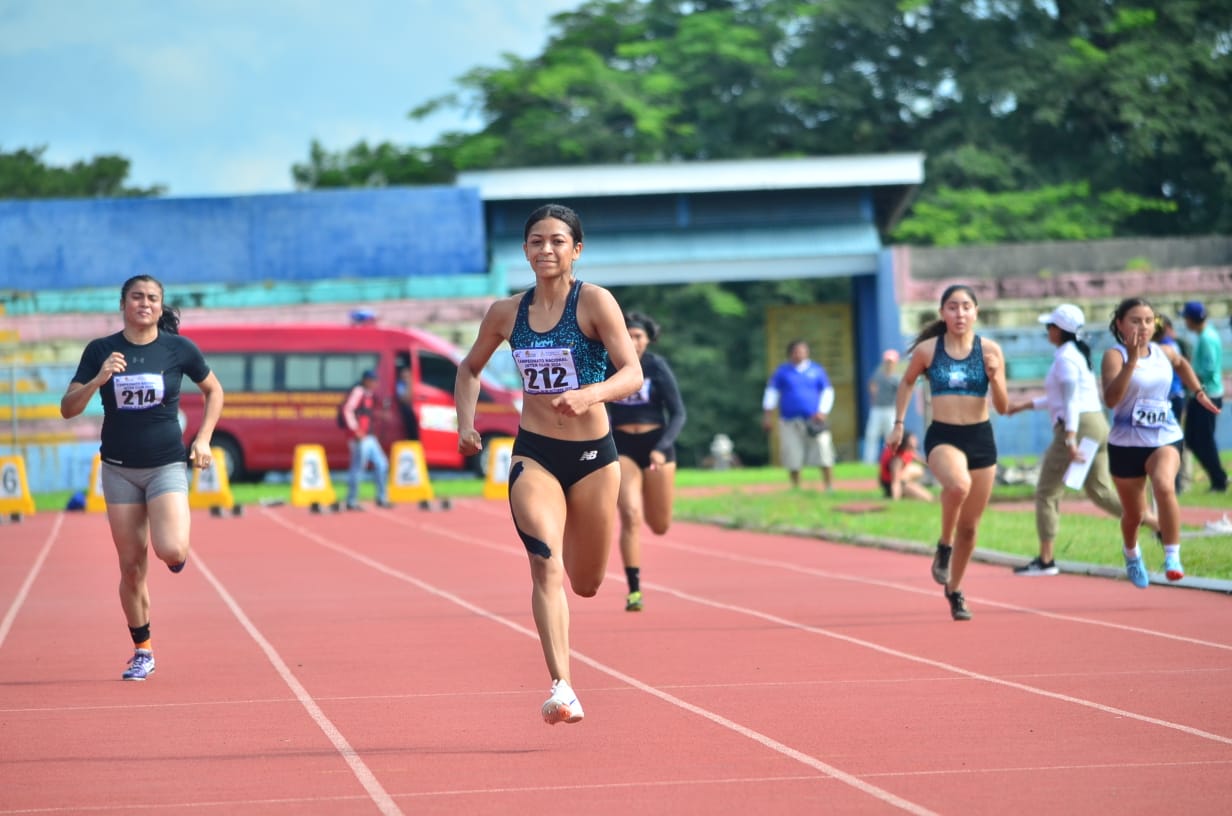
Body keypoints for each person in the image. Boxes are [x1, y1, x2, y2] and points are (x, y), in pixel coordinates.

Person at [455, 203, 642, 725]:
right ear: (525, 251)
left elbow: (632, 374)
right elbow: (469, 370)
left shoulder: (596, 303)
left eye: (558, 241)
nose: (546, 250)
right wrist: (465, 425)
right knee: (544, 562)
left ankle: (567, 669)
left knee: (585, 582)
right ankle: (562, 686)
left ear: (576, 249)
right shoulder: (506, 313)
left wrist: (589, 395)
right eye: (537, 241)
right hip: (534, 452)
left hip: (592, 458)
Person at [59, 274, 224, 681]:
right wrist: (98, 379)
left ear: (159, 305)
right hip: (118, 468)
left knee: (170, 550)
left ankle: (176, 555)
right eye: (137, 297)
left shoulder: (178, 349)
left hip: (165, 464)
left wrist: (202, 439)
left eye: (152, 298)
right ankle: (142, 649)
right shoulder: (101, 350)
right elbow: (67, 408)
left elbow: (214, 391)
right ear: (123, 304)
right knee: (131, 566)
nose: (144, 303)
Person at [885, 284, 1009, 621]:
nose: (960, 314)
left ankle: (954, 589)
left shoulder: (990, 351)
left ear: (976, 312)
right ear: (942, 313)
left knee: (970, 527)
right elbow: (908, 381)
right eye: (952, 307)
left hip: (980, 437)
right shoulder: (928, 351)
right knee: (957, 486)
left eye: (966, 307)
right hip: (944, 435)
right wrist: (898, 423)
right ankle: (943, 544)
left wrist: (995, 378)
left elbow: (1003, 405)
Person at [1006, 304, 1159, 576]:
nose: (1047, 332)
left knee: (1046, 492)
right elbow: (1061, 399)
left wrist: (1070, 438)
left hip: (1080, 426)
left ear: (1058, 330)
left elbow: (1070, 402)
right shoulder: (1075, 354)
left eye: (1049, 327)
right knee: (1099, 491)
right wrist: (1023, 405)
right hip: (1097, 423)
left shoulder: (1065, 359)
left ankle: (1046, 560)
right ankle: (1156, 524)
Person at [1103, 297, 1220, 587]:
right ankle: (1131, 552)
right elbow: (1111, 399)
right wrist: (1131, 361)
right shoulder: (1114, 356)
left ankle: (1172, 555)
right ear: (1120, 324)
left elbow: (1181, 364)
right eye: (1134, 320)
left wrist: (1199, 391)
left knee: (1165, 486)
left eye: (1147, 320)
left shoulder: (1165, 351)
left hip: (1164, 436)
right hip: (1126, 443)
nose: (1142, 327)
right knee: (1135, 514)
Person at [606, 311, 687, 612]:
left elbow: (678, 413)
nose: (633, 341)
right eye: (627, 335)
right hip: (622, 446)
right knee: (630, 514)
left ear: (648, 339)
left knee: (660, 524)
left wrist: (662, 447)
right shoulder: (607, 366)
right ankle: (634, 590)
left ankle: (656, 514)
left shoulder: (656, 367)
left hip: (656, 447)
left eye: (638, 336)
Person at [761, 340, 836, 490]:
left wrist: (822, 411)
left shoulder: (816, 370)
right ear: (790, 353)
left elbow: (827, 392)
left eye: (802, 351)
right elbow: (771, 394)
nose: (799, 354)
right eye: (796, 351)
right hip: (790, 420)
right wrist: (768, 416)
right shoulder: (783, 372)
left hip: (814, 420)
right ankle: (796, 487)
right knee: (792, 454)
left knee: (823, 451)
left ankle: (828, 486)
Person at [1179, 301, 1227, 493]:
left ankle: (1219, 480)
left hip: (1207, 395)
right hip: (1201, 394)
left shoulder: (1207, 338)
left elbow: (1207, 369)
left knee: (1203, 440)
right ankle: (1217, 478)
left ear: (1192, 319)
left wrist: (1189, 377)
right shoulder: (1205, 336)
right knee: (1193, 438)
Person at [341, 369, 392, 510]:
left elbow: (367, 414)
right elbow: (347, 409)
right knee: (358, 468)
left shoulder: (369, 395)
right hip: (359, 438)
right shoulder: (358, 392)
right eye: (373, 380)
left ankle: (382, 497)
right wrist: (355, 430)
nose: (376, 384)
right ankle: (351, 500)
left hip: (369, 437)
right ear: (366, 380)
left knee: (382, 464)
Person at [1154, 316, 1189, 494]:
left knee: (1170, 440)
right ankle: (1174, 481)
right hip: (1171, 397)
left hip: (1172, 397)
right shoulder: (1167, 346)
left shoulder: (1166, 348)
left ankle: (1176, 482)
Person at [863, 349, 902, 464]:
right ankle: (869, 462)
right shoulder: (878, 374)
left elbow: (901, 393)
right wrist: (873, 395)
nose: (889, 363)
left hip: (890, 410)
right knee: (871, 435)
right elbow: (872, 385)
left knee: (889, 437)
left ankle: (889, 460)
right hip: (877, 409)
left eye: (891, 361)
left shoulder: (896, 378)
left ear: (895, 363)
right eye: (887, 361)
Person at [878, 430, 932, 502]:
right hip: (892, 483)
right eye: (912, 441)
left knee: (919, 469)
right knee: (928, 498)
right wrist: (895, 499)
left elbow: (921, 460)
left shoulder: (908, 450)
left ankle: (908, 487)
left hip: (901, 477)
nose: (915, 442)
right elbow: (895, 481)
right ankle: (900, 491)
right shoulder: (897, 459)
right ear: (905, 443)